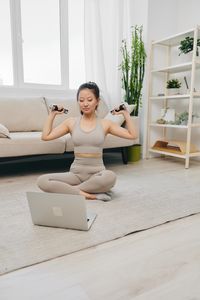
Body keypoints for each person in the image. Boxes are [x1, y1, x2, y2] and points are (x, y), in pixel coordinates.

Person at [37, 82, 138, 201]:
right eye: (81, 100)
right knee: (42, 181)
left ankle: (71, 191)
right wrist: (52, 115)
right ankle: (91, 195)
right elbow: (46, 136)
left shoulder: (105, 124)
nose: (85, 104)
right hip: (75, 174)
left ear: (97, 101)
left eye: (89, 100)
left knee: (110, 177)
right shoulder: (71, 122)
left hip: (97, 174)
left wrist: (126, 114)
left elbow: (132, 135)